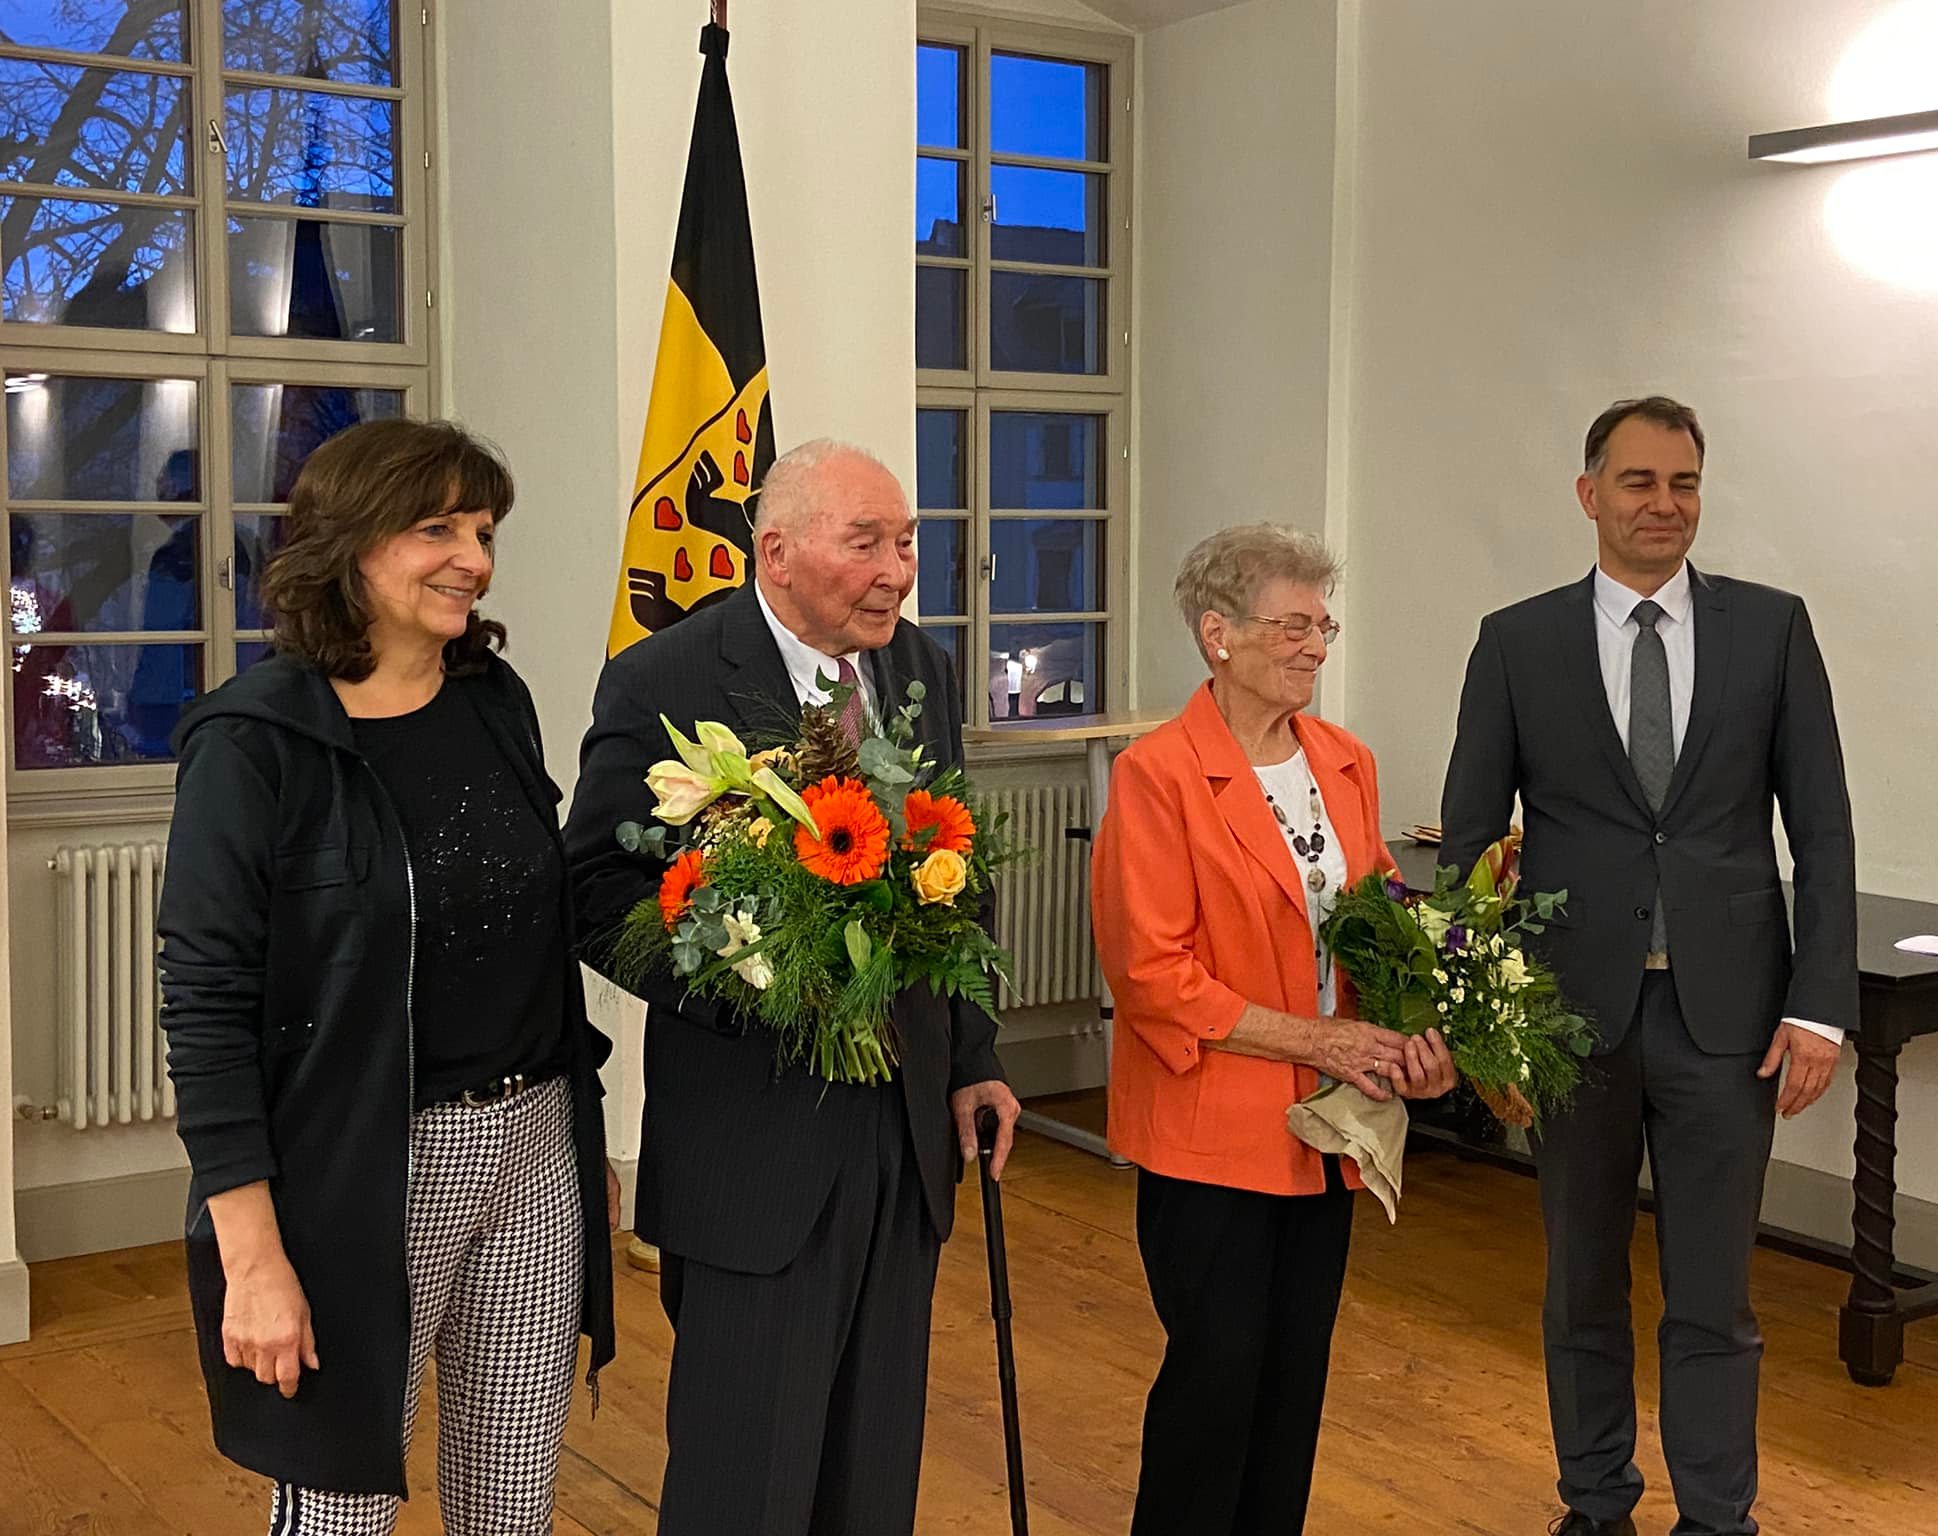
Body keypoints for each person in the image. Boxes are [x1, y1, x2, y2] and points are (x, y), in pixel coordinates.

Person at [157, 419, 618, 1535]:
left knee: (513, 1503)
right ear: (351, 545)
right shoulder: (253, 742)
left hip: (534, 1148)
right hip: (363, 1165)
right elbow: (207, 1004)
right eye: (438, 530)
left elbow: (533, 944)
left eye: (484, 531)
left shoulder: (493, 701)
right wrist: (252, 1260)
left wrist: (581, 1139)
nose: (473, 559)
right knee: (341, 1513)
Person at [563, 437, 1022, 1536]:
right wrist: (756, 981)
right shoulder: (667, 676)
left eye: (906, 542)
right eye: (866, 544)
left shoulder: (919, 666)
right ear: (775, 552)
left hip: (904, 1143)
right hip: (754, 1153)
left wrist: (974, 1057)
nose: (896, 571)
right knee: (745, 1486)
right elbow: (594, 889)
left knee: (873, 1475)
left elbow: (955, 877)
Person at [1440, 396, 1857, 1536]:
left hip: (1729, 1021)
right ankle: (1595, 1504)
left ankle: (1718, 1516)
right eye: (1637, 482)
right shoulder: (1516, 641)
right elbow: (1468, 849)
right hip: (1568, 1022)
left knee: (1714, 1296)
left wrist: (1820, 1006)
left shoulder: (1769, 629)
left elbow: (1821, 831)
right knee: (1581, 1284)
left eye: (1682, 484)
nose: (1662, 505)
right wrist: (1482, 1023)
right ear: (1589, 495)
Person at [1092, 522, 1458, 1536]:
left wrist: (1418, 1040)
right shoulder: (1157, 775)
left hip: (1326, 1133)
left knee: (1292, 1388)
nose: (1313, 646)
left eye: (1322, 626)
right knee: (1214, 1386)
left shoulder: (1344, 763)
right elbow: (1152, 975)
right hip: (1209, 1132)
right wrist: (1319, 1040)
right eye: (1292, 625)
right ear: (1218, 634)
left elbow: (1379, 931)